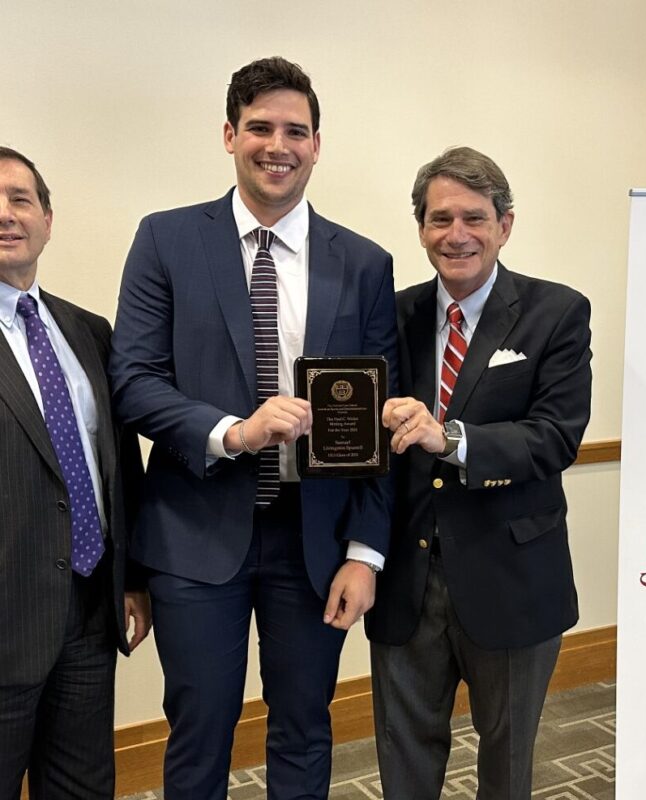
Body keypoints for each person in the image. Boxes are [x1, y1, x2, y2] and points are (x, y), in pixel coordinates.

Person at [109, 57, 396, 799]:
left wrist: (365, 552)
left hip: (316, 539)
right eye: (261, 128)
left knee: (305, 723)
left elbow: (377, 425)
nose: (279, 145)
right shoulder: (167, 240)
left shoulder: (363, 263)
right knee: (199, 727)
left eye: (295, 131)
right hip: (195, 531)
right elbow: (133, 382)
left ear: (317, 143)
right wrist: (232, 432)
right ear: (230, 135)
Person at [367, 146, 592, 800]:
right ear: (421, 229)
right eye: (440, 220)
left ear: (505, 224)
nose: (456, 235)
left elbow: (555, 438)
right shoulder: (391, 314)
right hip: (407, 580)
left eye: (474, 217)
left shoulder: (556, 313)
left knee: (507, 761)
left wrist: (452, 438)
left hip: (513, 577)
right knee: (404, 757)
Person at [0, 147, 150, 800]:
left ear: (48, 219)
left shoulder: (88, 331)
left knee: (82, 786)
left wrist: (134, 578)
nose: (5, 215)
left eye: (19, 199)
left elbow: (122, 464)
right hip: (5, 620)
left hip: (89, 614)